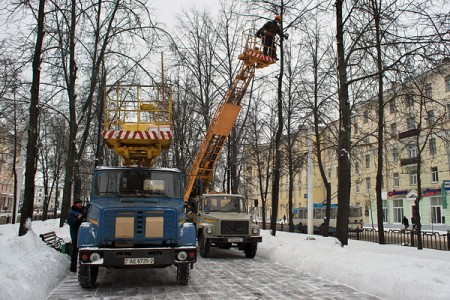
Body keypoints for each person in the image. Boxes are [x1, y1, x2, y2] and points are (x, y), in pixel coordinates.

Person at [67, 199, 87, 272]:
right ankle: (73, 267)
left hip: (84, 233)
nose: (80, 205)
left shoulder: (84, 210)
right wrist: (78, 218)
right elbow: (71, 223)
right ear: (75, 204)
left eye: (80, 203)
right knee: (75, 250)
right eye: (78, 203)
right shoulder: (72, 212)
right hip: (75, 232)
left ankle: (83, 267)